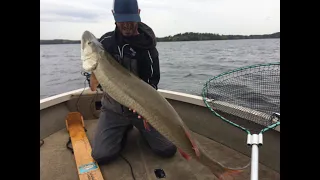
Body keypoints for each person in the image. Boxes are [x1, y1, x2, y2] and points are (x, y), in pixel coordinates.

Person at [90, 0, 177, 164]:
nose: (127, 26)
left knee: (167, 149)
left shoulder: (148, 48)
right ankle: (122, 129)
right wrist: (96, 76)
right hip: (113, 110)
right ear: (114, 16)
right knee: (101, 156)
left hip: (142, 110)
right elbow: (95, 79)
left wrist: (145, 109)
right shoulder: (105, 42)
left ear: (138, 12)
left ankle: (142, 129)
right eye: (123, 20)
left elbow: (152, 84)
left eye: (131, 19)